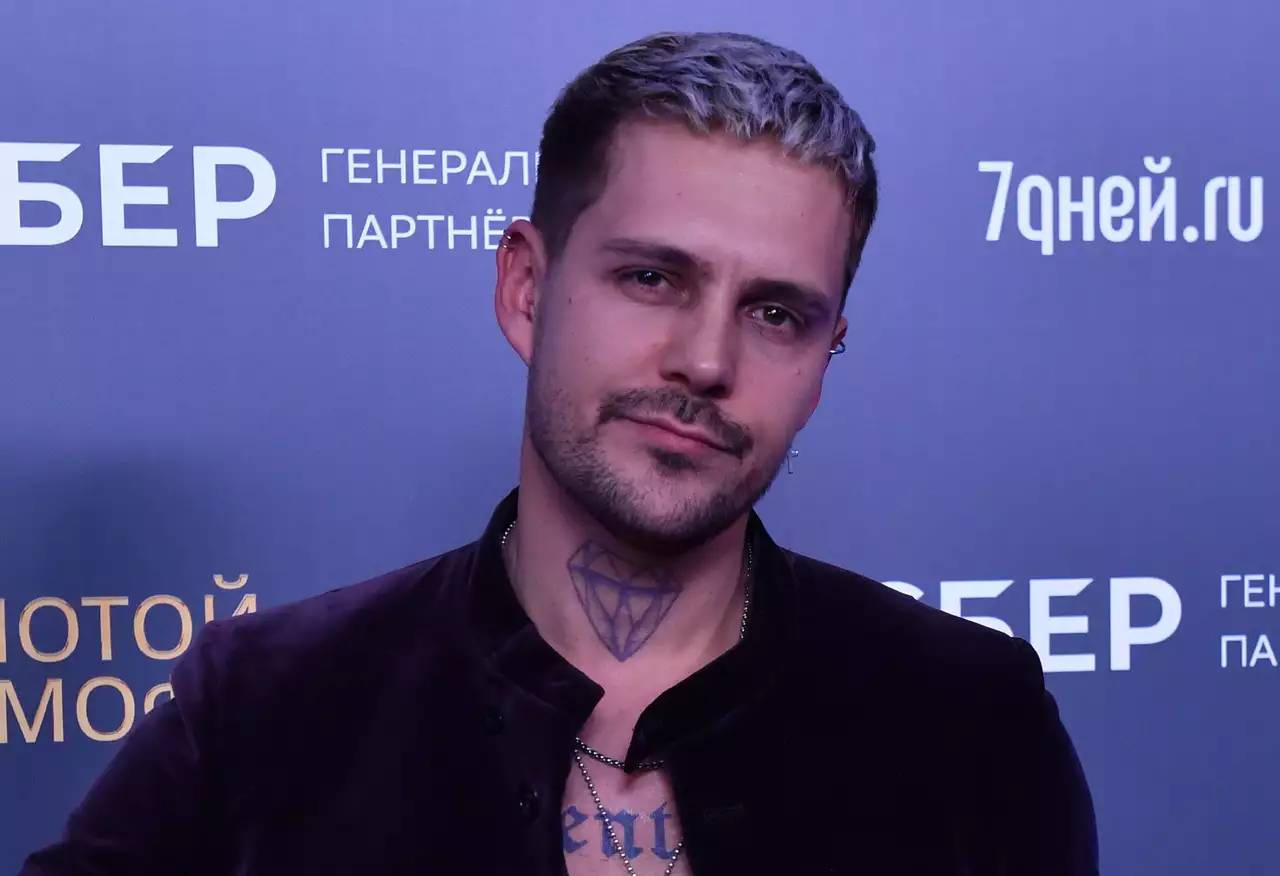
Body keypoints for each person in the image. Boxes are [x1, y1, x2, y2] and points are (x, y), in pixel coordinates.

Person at [21, 30, 1098, 876]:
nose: (705, 360)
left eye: (776, 313)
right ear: (526, 290)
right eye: (652, 278)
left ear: (823, 361)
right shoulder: (264, 707)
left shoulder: (970, 721)